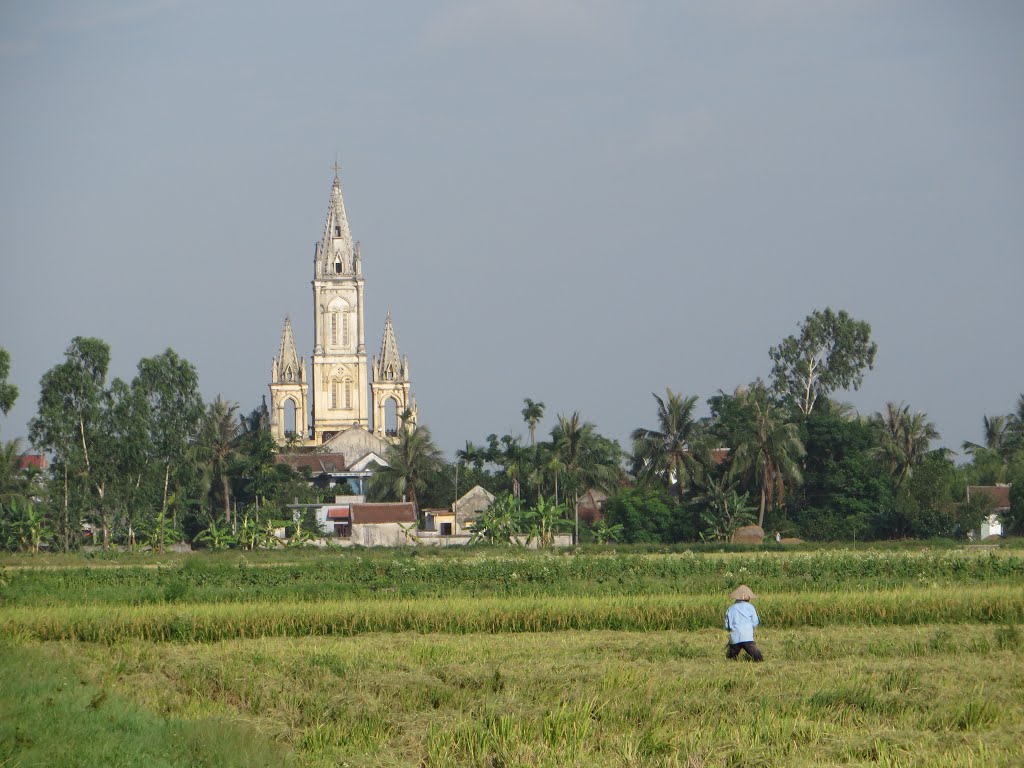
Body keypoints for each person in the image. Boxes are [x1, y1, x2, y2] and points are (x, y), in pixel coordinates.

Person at [725, 584, 763, 661]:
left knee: (730, 659)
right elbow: (755, 622)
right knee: (758, 659)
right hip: (747, 636)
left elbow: (727, 626)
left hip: (734, 637)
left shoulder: (730, 609)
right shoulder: (750, 607)